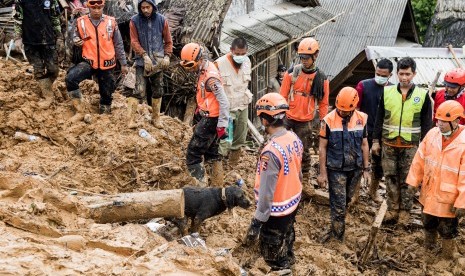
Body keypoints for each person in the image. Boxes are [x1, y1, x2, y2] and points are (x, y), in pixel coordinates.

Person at [244, 93, 303, 275]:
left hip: (276, 211)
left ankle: (282, 268)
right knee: (287, 237)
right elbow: (299, 172)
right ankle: (288, 259)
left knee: (272, 253)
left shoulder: (271, 153)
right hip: (293, 202)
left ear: (264, 120)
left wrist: (257, 221)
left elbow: (266, 193)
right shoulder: (294, 138)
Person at [372, 57, 432, 225]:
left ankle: (405, 211)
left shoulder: (422, 95)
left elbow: (427, 124)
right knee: (390, 177)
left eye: (408, 74)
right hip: (389, 144)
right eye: (401, 74)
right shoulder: (387, 92)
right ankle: (393, 208)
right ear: (396, 74)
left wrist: (426, 147)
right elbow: (379, 118)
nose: (404, 77)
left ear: (414, 74)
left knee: (409, 180)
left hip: (410, 146)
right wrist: (375, 141)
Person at [406, 100, 465, 258]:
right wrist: (413, 181)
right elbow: (419, 159)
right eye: (439, 120)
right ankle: (429, 249)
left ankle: (446, 257)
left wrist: (462, 203)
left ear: (457, 121)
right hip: (429, 191)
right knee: (428, 222)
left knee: (447, 230)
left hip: (449, 199)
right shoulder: (432, 134)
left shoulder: (463, 142)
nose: (441, 124)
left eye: (445, 122)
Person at [317, 87, 370, 242]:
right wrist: (322, 173)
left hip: (355, 168)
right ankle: (337, 237)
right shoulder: (328, 120)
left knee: (346, 200)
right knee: (338, 203)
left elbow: (365, 144)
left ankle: (336, 226)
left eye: (346, 111)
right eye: (340, 110)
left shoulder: (362, 119)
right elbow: (322, 147)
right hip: (336, 169)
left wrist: (366, 169)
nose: (343, 113)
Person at [280, 37, 329, 197]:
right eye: (302, 58)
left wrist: (323, 122)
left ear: (315, 56)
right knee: (280, 146)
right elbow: (282, 96)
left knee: (304, 151)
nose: (304, 61)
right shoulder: (291, 74)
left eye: (307, 58)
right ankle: (280, 177)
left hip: (306, 120)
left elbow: (323, 102)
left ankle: (305, 180)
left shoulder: (321, 78)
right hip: (288, 117)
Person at [65, 0, 128, 115]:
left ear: (103, 7)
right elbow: (72, 36)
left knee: (107, 94)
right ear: (89, 7)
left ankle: (104, 113)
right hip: (89, 62)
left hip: (107, 63)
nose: (97, 10)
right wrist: (75, 40)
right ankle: (80, 109)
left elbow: (118, 44)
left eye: (99, 8)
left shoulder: (111, 22)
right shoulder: (81, 22)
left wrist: (123, 64)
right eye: (94, 8)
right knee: (71, 79)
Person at [180, 43, 230, 186]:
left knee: (193, 154)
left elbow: (224, 102)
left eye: (191, 65)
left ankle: (200, 189)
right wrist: (200, 107)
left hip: (212, 119)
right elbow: (207, 95)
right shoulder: (204, 69)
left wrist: (222, 125)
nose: (190, 70)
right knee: (212, 152)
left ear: (200, 59)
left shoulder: (211, 78)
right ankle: (218, 186)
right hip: (210, 115)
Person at [128, 0, 173, 129]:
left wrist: (167, 56)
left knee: (158, 90)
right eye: (143, 7)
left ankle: (155, 118)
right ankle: (130, 120)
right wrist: (144, 55)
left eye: (148, 7)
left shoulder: (161, 20)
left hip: (157, 61)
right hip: (142, 62)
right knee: (139, 91)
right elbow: (134, 41)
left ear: (153, 6)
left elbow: (168, 41)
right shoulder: (134, 21)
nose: (145, 10)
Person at [354, 59, 394, 203]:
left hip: (383, 133)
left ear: (390, 75)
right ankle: (355, 193)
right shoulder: (363, 86)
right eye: (378, 73)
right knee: (358, 162)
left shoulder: (393, 90)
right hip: (364, 130)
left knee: (379, 165)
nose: (380, 76)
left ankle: (373, 191)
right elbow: (355, 109)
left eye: (383, 75)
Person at [13, 0, 62, 109]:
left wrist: (59, 37)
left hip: (48, 39)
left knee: (53, 69)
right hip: (30, 40)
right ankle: (48, 96)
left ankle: (46, 86)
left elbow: (55, 18)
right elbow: (17, 19)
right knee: (38, 69)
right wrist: (17, 37)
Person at [214, 37, 252, 165]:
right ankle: (219, 166)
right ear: (231, 50)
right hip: (227, 110)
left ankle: (233, 165)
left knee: (240, 138)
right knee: (225, 140)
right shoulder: (219, 64)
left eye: (243, 54)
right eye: (237, 54)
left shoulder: (247, 62)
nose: (240, 56)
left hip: (242, 106)